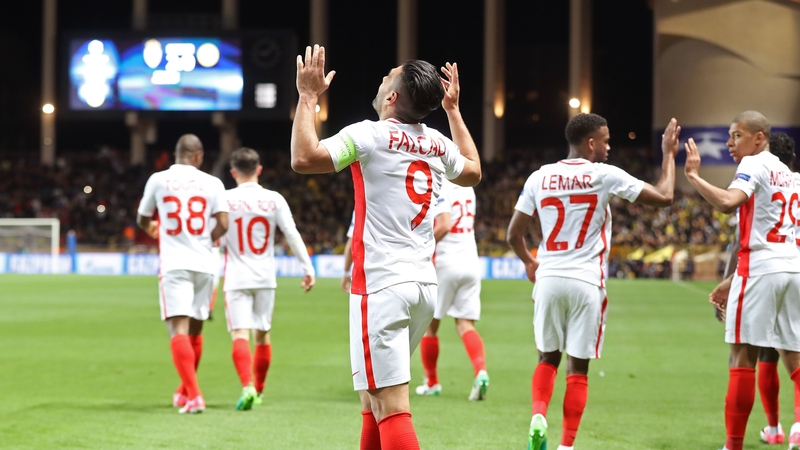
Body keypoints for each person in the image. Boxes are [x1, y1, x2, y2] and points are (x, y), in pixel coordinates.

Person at [291, 45, 481, 450]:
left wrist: (307, 97)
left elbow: (304, 158)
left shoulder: (370, 135)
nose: (381, 78)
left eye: (388, 75)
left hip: (381, 286)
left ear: (392, 97)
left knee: (392, 408)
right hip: (422, 288)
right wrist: (453, 111)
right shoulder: (438, 143)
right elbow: (473, 172)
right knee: (372, 402)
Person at [507, 113, 680, 450]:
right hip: (586, 281)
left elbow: (513, 233)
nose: (609, 147)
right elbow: (664, 196)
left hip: (549, 278)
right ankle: (566, 445)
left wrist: (529, 261)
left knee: (546, 358)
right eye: (606, 140)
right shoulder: (603, 174)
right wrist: (669, 155)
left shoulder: (539, 176)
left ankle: (538, 416)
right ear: (590, 143)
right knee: (578, 368)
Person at [687, 111, 800, 450]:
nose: (729, 143)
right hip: (792, 270)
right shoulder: (791, 176)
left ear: (759, 138)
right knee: (795, 360)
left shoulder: (754, 164)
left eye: (736, 135)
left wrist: (693, 176)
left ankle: (733, 445)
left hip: (760, 271)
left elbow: (726, 202)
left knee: (742, 358)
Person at [136, 134, 229, 414]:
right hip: (206, 264)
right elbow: (224, 223)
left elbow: (142, 217)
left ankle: (195, 395)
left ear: (176, 154)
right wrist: (205, 240)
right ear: (198, 156)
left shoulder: (158, 179)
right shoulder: (213, 183)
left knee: (178, 329)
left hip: (175, 263)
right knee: (196, 329)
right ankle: (185, 390)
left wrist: (152, 228)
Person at [222, 147, 316, 410]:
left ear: (233, 172)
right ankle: (260, 390)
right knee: (262, 334)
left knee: (239, 334)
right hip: (265, 276)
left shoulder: (224, 199)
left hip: (236, 277)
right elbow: (291, 233)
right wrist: (307, 268)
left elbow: (214, 236)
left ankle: (247, 386)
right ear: (259, 170)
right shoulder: (274, 199)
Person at [415, 179, 489, 401]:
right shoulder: (468, 188)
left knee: (429, 327)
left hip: (446, 262)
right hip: (471, 261)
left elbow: (444, 225)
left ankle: (432, 383)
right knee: (465, 324)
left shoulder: (441, 187)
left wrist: (422, 249)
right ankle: (481, 372)